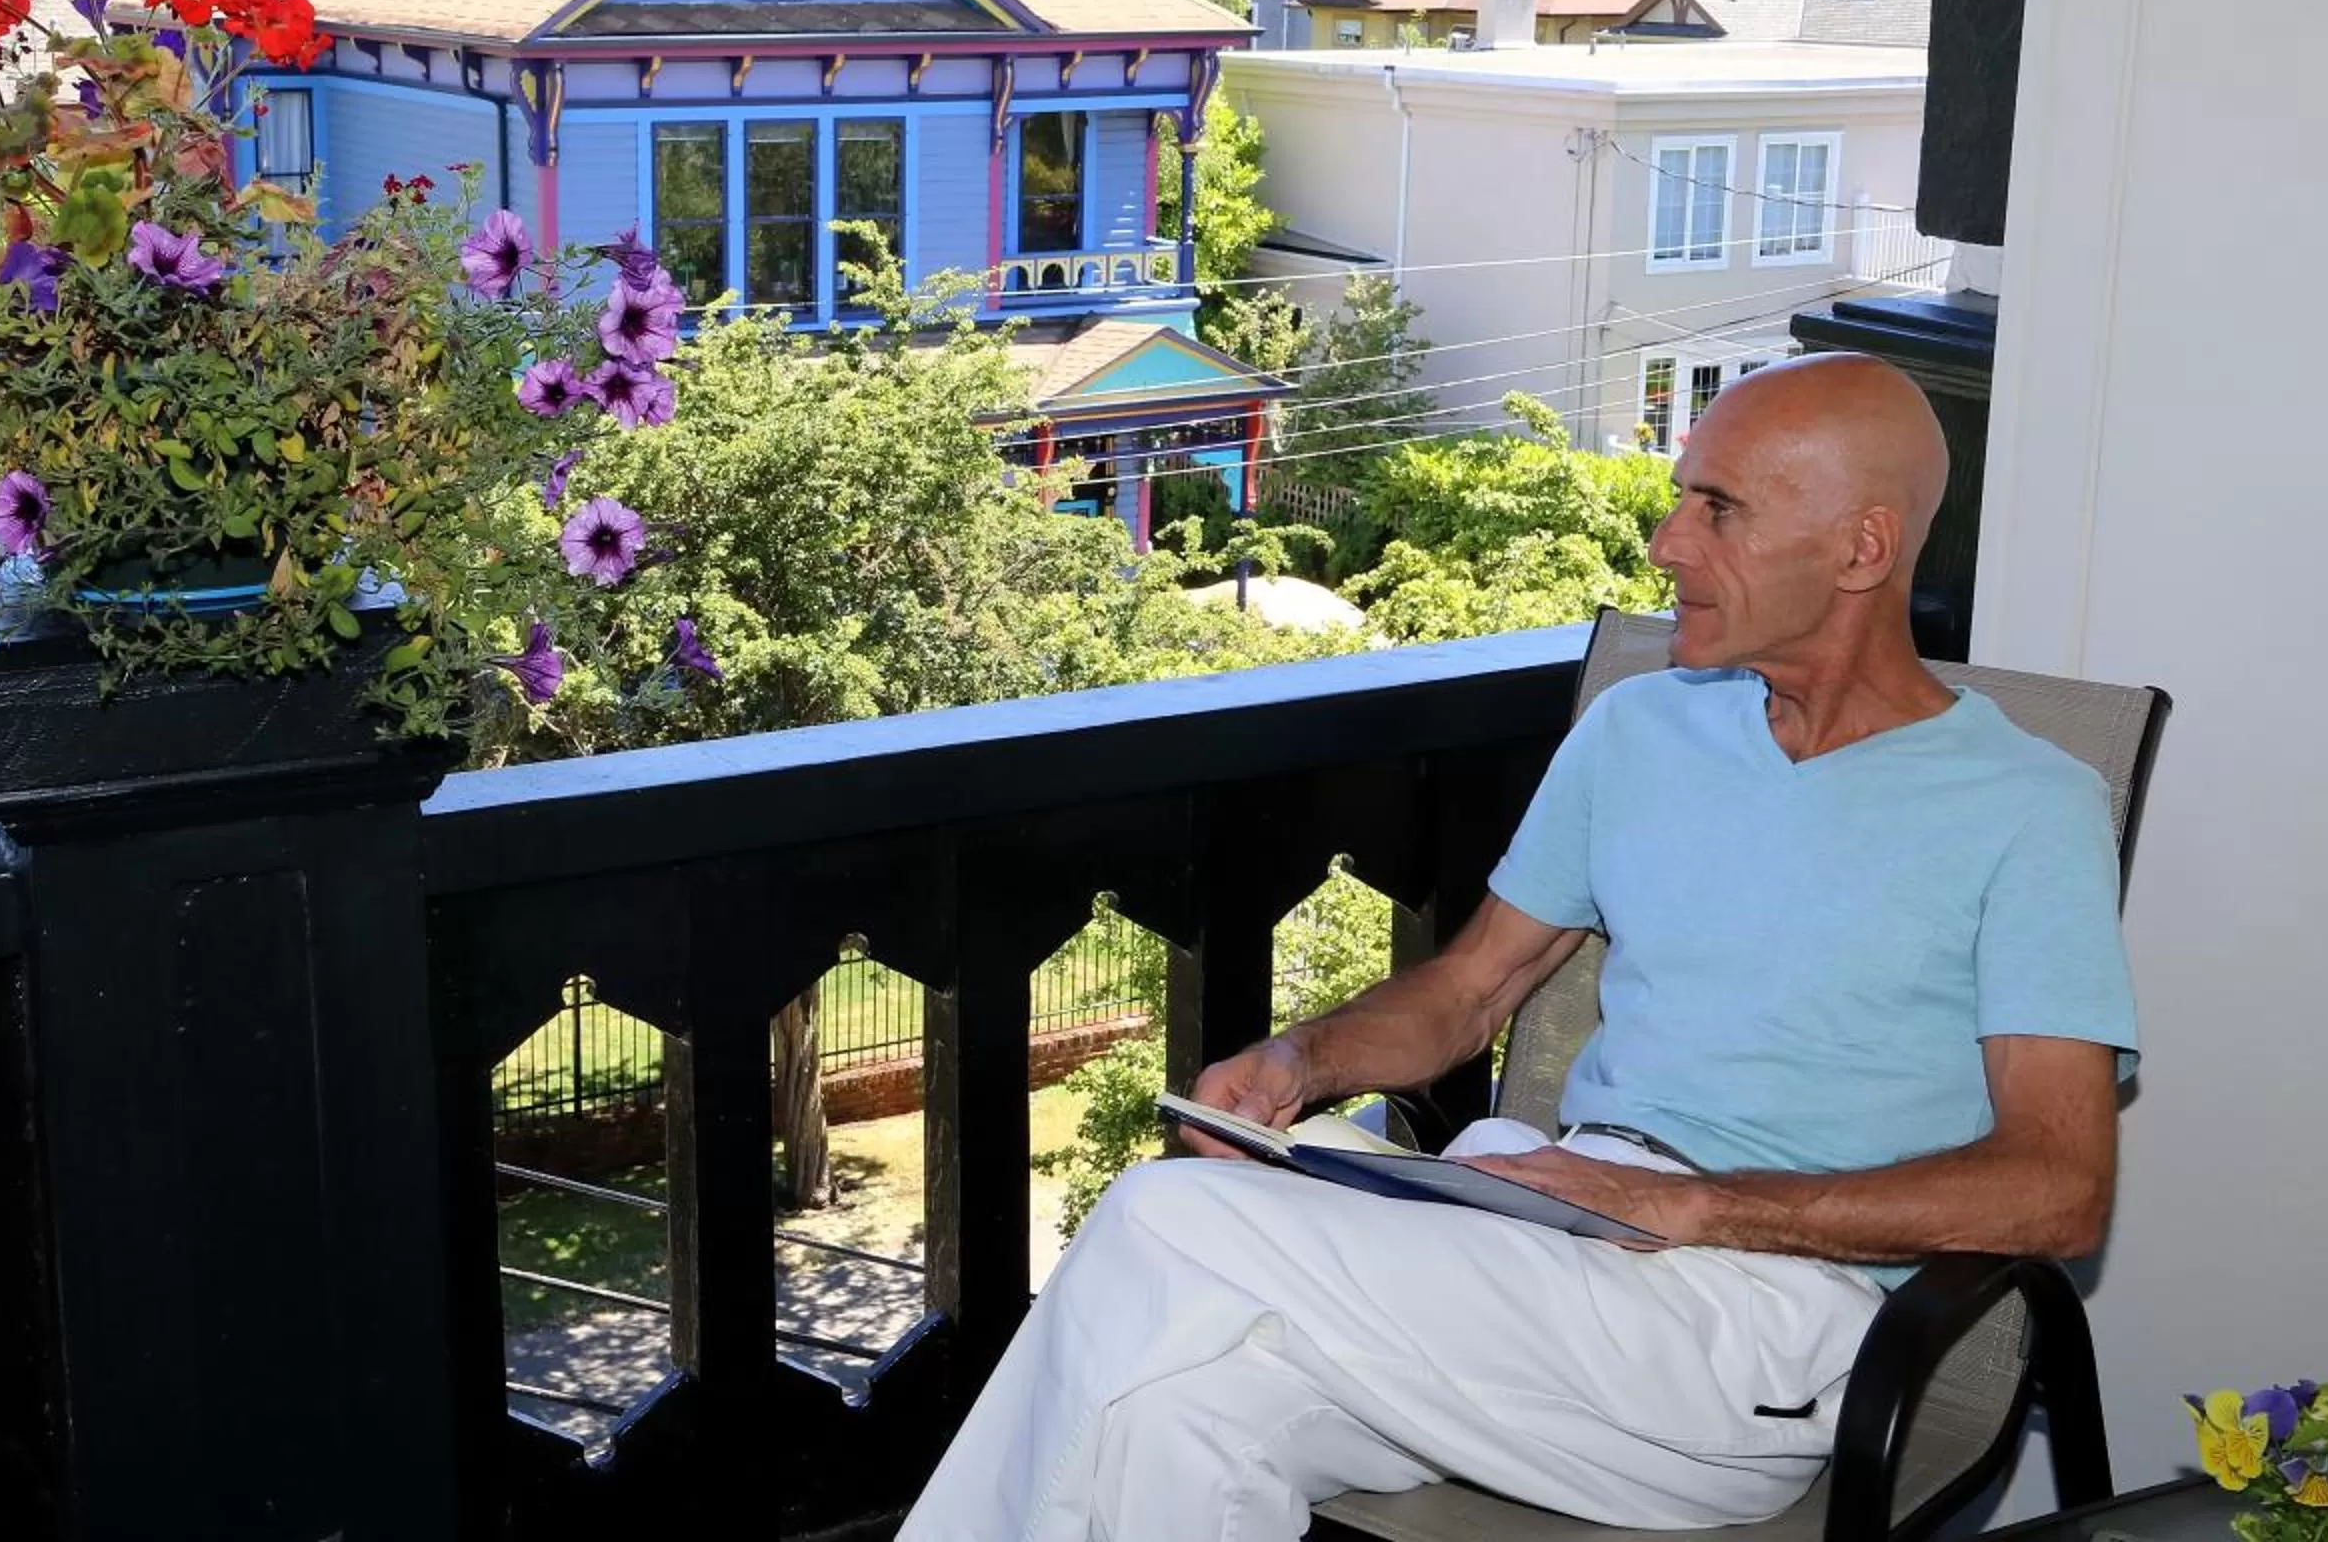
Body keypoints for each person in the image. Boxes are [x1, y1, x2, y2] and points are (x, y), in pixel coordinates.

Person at [899, 354, 2137, 1542]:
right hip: (1537, 1225)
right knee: (1175, 1418)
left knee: (1167, 1219)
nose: (1666, 542)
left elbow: (2058, 1183)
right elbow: (1471, 984)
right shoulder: (1641, 729)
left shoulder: (2027, 808)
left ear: (1863, 545)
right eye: (1678, 499)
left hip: (1758, 1315)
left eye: (1718, 508)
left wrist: (1694, 1202)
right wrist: (1300, 1061)